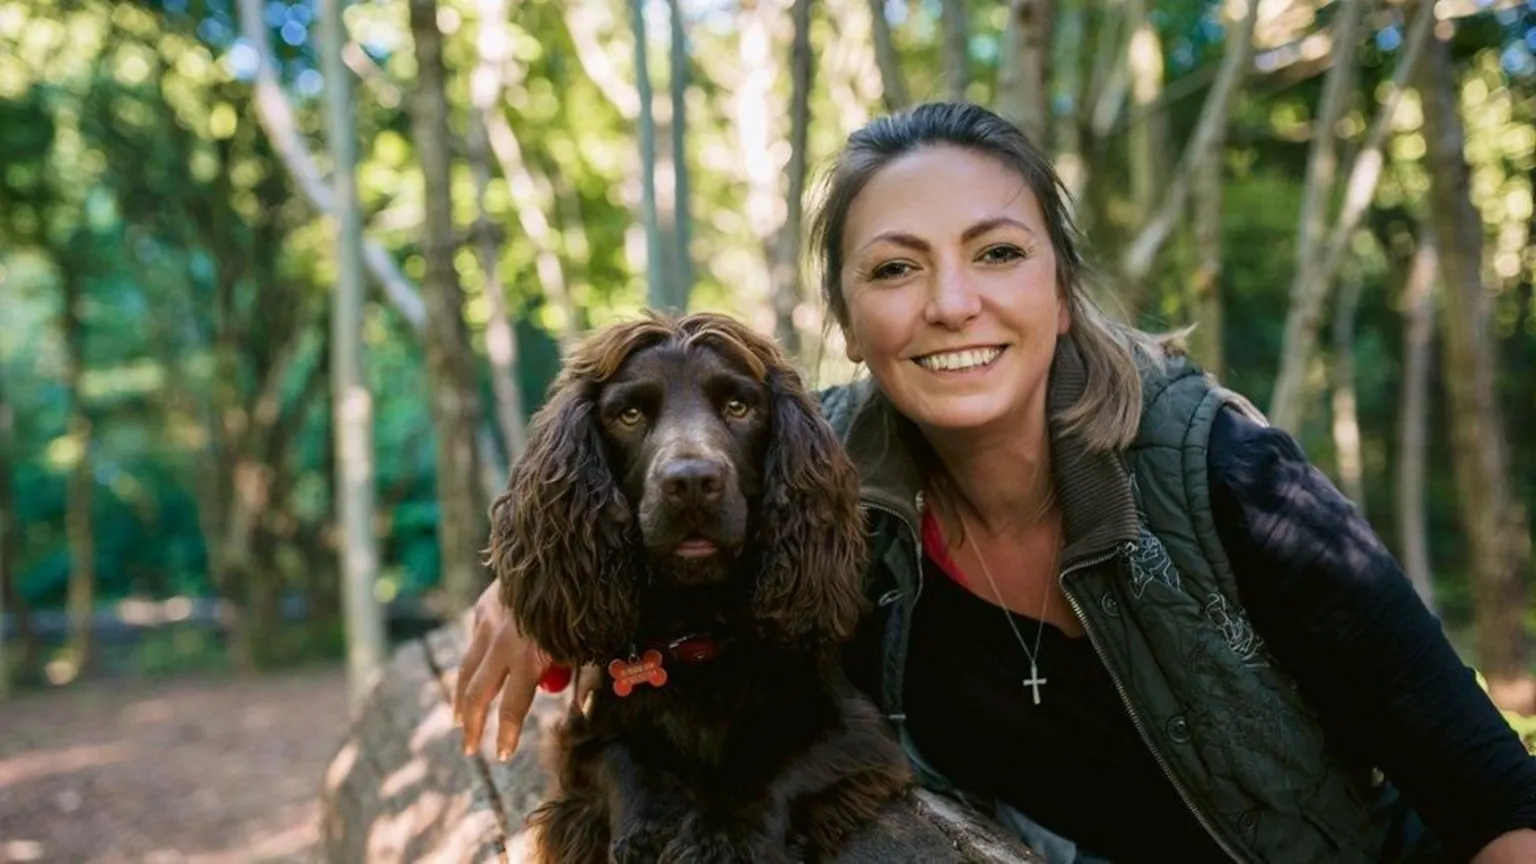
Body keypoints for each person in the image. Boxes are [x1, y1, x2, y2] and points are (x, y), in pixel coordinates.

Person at [452, 102, 1536, 863]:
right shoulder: (823, 477)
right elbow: (637, 490)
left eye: (998, 253)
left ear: (1062, 291)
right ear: (849, 322)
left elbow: (1492, 797)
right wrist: (526, 594)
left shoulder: (1227, 475)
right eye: (896, 267)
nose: (952, 302)